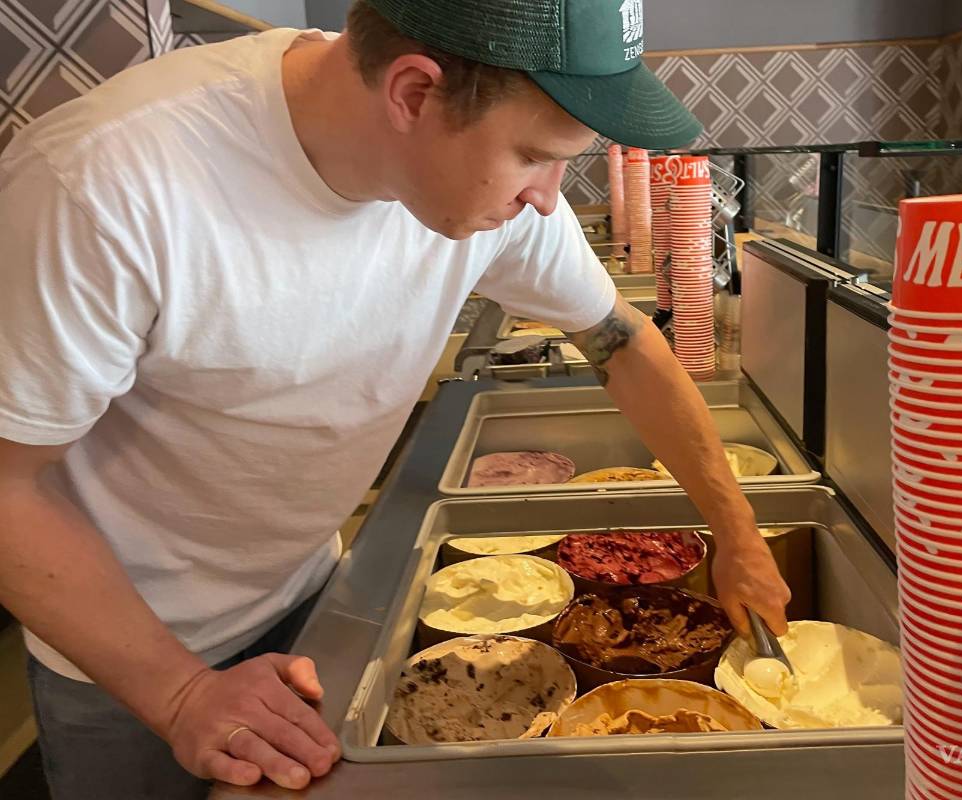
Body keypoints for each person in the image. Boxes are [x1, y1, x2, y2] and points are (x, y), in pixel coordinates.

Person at [0, 1, 791, 797]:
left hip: (312, 592)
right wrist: (180, 694)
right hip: (121, 652)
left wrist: (738, 534)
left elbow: (622, 344)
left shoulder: (485, 188)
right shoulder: (100, 185)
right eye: (533, 157)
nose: (550, 198)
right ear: (414, 93)